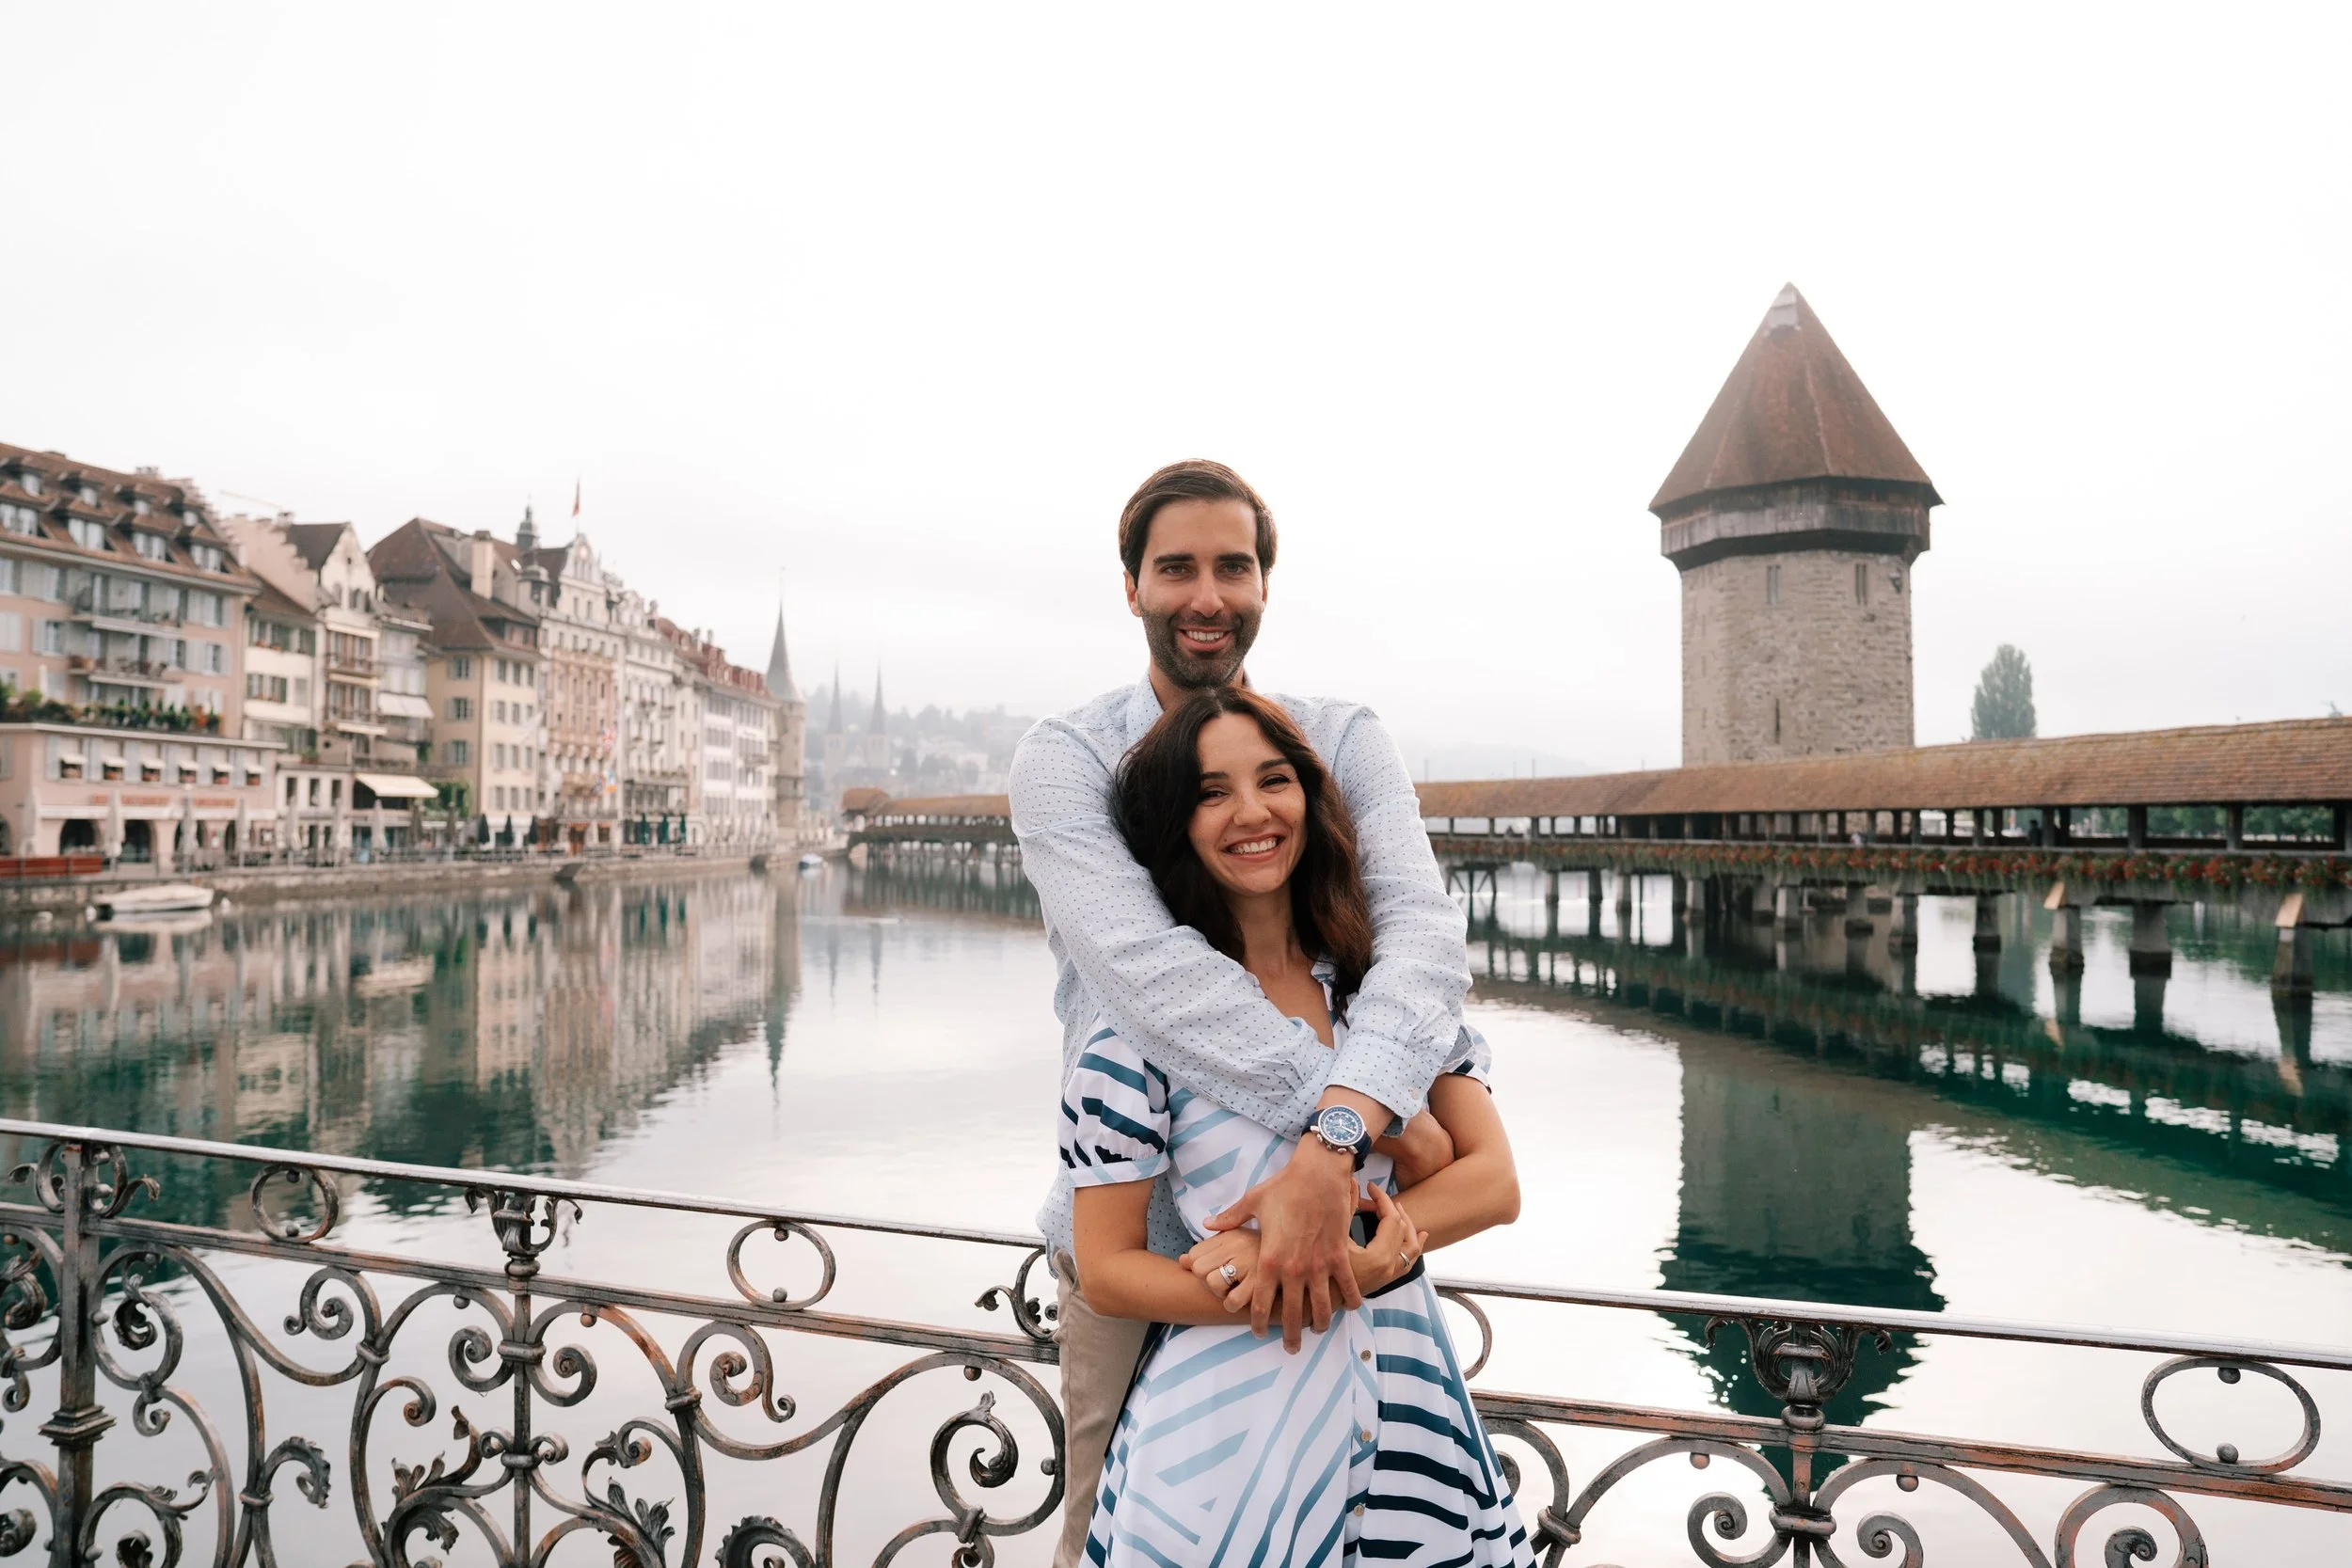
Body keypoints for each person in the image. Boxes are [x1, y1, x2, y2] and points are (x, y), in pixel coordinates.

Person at [1008, 460, 1473, 1565]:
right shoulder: (1068, 758)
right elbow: (1149, 977)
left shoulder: (1340, 738)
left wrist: (1332, 1151)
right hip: (1146, 1251)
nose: (1205, 594)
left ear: (1266, 582)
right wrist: (1352, 1125)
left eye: (1233, 565)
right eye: (1176, 568)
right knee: (1120, 1539)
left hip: (1350, 1254)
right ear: (1132, 587)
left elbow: (1420, 941)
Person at [1064, 686, 1531, 1561]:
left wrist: (1355, 1253)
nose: (1251, 812)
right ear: (1177, 823)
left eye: (1274, 780)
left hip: (1408, 1410)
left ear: (1310, 799)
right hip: (1223, 1443)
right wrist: (1281, 1274)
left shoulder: (1390, 998)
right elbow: (1109, 1268)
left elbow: (1496, 1182)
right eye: (1211, 792)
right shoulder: (1143, 1025)